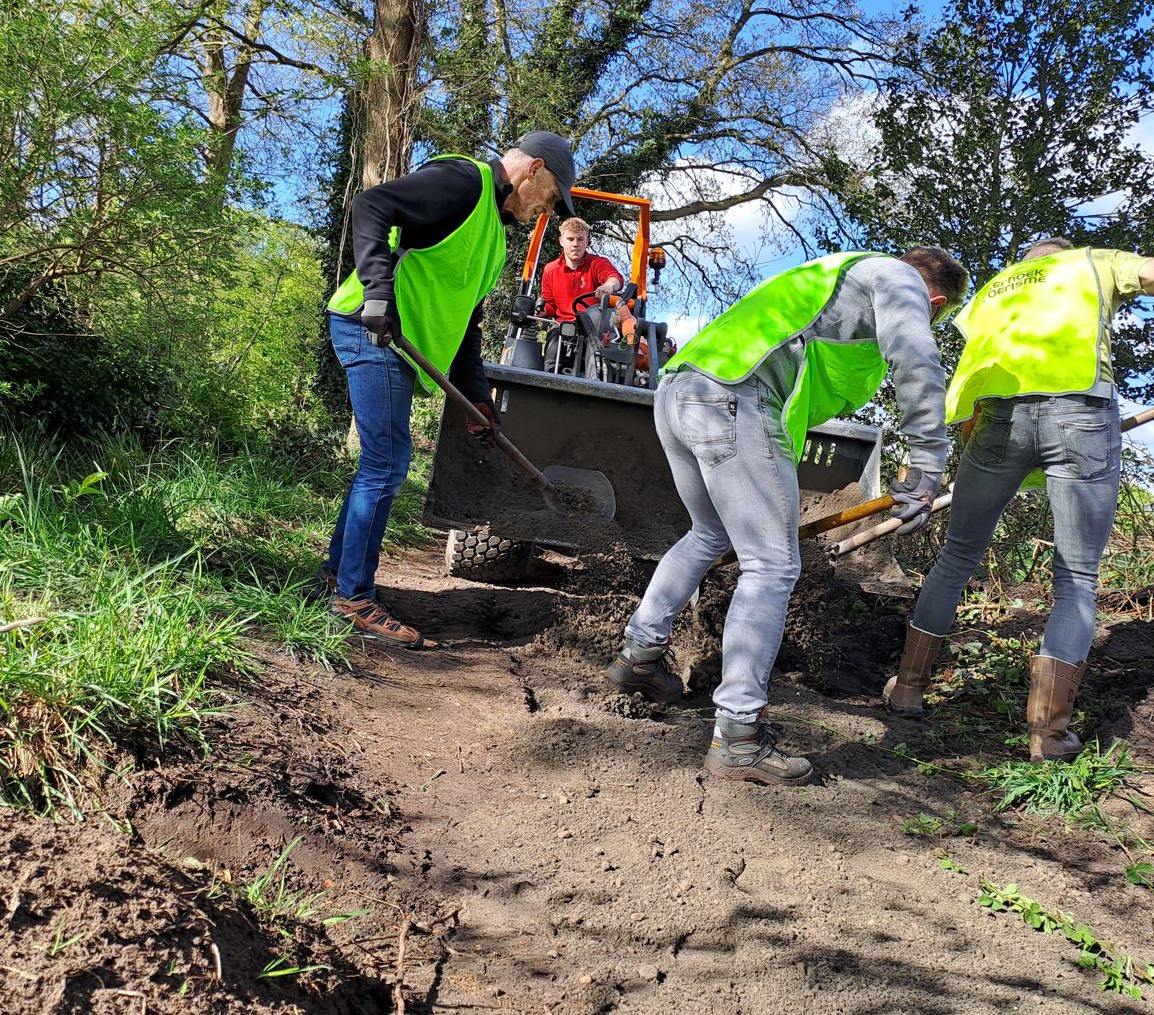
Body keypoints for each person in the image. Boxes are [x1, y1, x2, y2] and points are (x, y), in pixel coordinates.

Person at [882, 238, 1154, 761]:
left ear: (1027, 262)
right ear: (1063, 253)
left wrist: (984, 453)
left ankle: (907, 689)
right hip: (1082, 418)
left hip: (995, 422)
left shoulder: (993, 291)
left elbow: (981, 374)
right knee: (1076, 578)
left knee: (955, 559)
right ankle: (1048, 734)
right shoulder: (1093, 262)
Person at [606, 248, 970, 786]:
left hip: (682, 391)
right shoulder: (897, 280)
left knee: (708, 533)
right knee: (772, 566)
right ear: (934, 301)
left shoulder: (834, 272)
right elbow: (915, 358)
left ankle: (638, 655)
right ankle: (738, 736)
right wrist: (928, 460)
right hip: (733, 397)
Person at [320, 131, 577, 646]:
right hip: (372, 329)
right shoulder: (465, 182)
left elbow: (468, 324)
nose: (545, 212)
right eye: (550, 198)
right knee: (387, 462)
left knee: (383, 461)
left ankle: (337, 575)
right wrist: (376, 294)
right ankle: (353, 597)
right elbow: (371, 206)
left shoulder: (495, 238)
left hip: (396, 342)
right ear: (536, 171)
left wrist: (477, 397)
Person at [538, 217, 632, 370]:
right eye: (570, 239)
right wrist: (542, 310)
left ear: (587, 241)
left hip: (593, 327)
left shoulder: (597, 263)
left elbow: (615, 278)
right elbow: (550, 305)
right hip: (563, 325)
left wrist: (608, 285)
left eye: (580, 239)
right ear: (561, 241)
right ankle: (549, 377)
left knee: (597, 354)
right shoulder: (550, 270)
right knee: (554, 339)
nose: (576, 244)